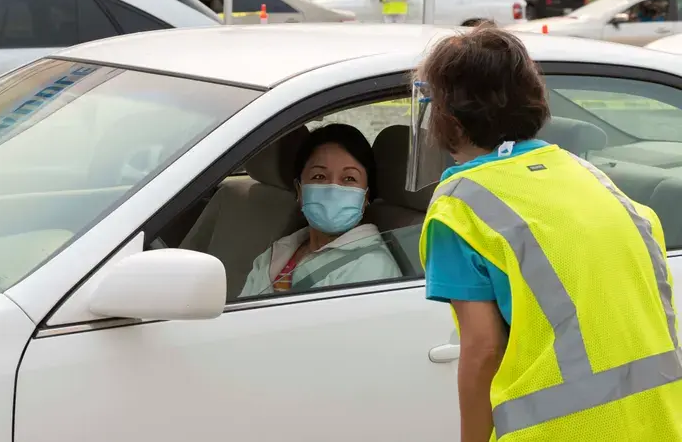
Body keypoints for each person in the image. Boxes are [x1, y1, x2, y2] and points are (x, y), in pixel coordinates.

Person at [414, 25, 681, 441]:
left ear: (446, 116)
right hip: (657, 424)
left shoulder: (460, 207)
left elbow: (483, 351)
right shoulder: (588, 177)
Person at [239, 123, 402, 297]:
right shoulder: (278, 252)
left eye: (349, 178)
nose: (333, 189)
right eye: (319, 176)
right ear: (299, 189)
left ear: (366, 196)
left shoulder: (372, 268)